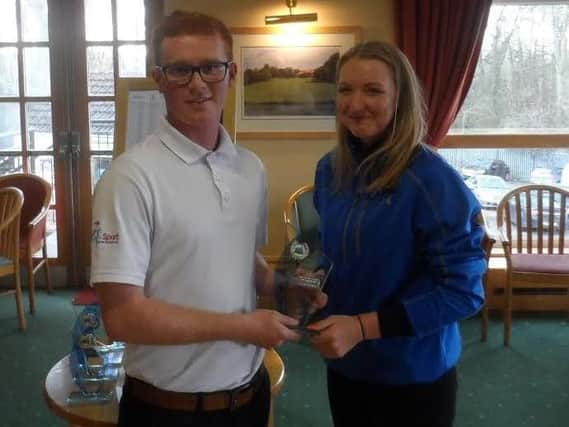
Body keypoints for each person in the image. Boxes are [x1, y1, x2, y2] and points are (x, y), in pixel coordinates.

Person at [90, 11, 320, 427]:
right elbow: (121, 316)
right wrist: (243, 327)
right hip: (166, 409)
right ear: (159, 79)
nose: (198, 84)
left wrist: (283, 286)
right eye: (180, 70)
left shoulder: (251, 169)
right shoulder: (129, 177)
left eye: (211, 67)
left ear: (231, 73)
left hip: (250, 396)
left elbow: (239, 258)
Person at [306, 40, 486, 427]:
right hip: (346, 364)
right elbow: (324, 246)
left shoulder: (433, 181)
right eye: (345, 90)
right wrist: (299, 282)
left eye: (373, 90)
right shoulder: (329, 169)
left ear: (399, 98)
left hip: (412, 375)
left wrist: (361, 327)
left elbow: (464, 292)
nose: (356, 104)